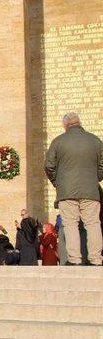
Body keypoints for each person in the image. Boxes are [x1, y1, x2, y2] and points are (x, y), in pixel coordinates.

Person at [44, 112, 103, 265]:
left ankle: (75, 259)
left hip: (66, 192)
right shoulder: (95, 141)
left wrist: (58, 182)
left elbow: (48, 166)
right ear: (80, 122)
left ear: (65, 125)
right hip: (90, 191)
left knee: (70, 224)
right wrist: (94, 178)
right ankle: (96, 259)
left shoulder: (58, 141)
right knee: (93, 224)